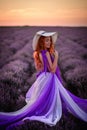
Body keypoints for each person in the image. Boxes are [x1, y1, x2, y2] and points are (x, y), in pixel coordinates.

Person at [0, 30, 87, 130]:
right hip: (49, 79)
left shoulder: (38, 53)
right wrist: (57, 57)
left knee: (44, 102)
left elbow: (40, 68)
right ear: (41, 42)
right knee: (49, 103)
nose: (49, 42)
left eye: (49, 41)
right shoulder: (46, 53)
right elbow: (53, 70)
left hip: (43, 79)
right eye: (46, 41)